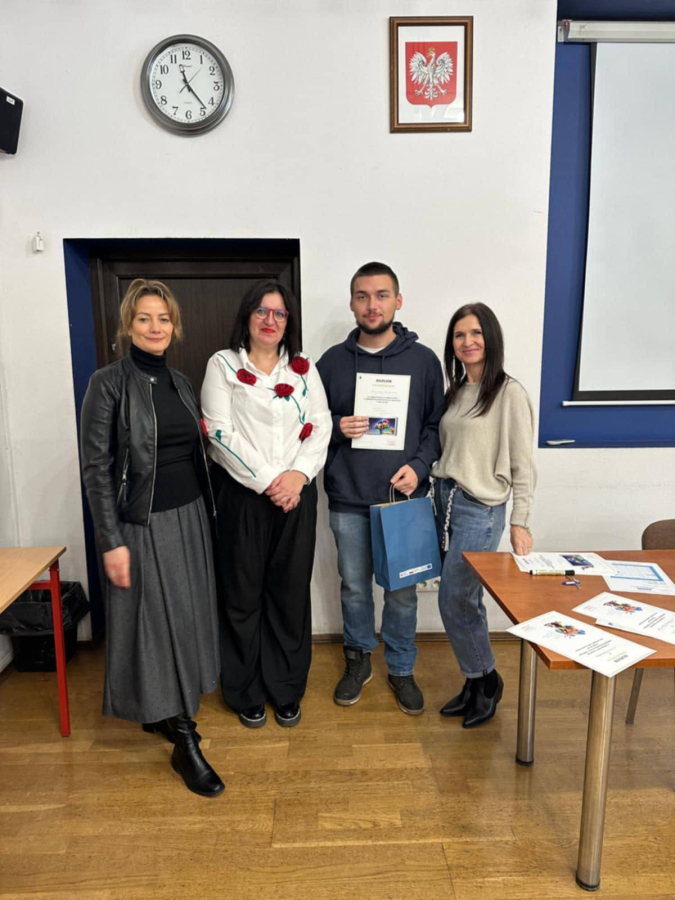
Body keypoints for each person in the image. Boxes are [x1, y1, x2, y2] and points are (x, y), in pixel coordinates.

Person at [80, 278, 224, 797]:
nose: (155, 327)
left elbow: (196, 454)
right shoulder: (107, 384)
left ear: (174, 326)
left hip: (190, 518)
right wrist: (110, 540)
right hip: (142, 524)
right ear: (128, 325)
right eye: (144, 318)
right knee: (156, 627)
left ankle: (165, 714)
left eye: (163, 318)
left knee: (185, 621)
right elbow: (97, 469)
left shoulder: (181, 383)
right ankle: (184, 738)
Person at [201, 280, 331, 729]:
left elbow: (320, 425)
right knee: (242, 595)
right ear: (247, 316)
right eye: (261, 311)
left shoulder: (303, 369)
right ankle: (245, 690)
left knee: (289, 594)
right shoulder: (222, 365)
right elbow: (219, 433)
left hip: (297, 495)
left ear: (288, 321)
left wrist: (298, 476)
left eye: (279, 313)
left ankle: (286, 688)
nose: (270, 320)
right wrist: (270, 481)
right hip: (242, 498)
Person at [317, 262, 444, 715]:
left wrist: (419, 466)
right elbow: (309, 425)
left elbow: (435, 427)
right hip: (348, 498)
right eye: (363, 296)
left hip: (402, 500)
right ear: (352, 303)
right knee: (354, 587)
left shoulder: (424, 361)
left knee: (402, 592)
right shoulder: (331, 363)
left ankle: (402, 667)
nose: (372, 305)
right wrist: (337, 426)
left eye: (382, 295)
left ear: (398, 301)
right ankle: (358, 660)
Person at [431, 303, 535, 728]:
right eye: (459, 335)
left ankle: (488, 680)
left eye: (475, 333)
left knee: (455, 597)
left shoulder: (509, 393)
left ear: (491, 338)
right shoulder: (456, 392)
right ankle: (475, 682)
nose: (467, 342)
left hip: (481, 509)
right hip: (445, 501)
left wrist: (520, 520)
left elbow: (523, 464)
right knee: (463, 598)